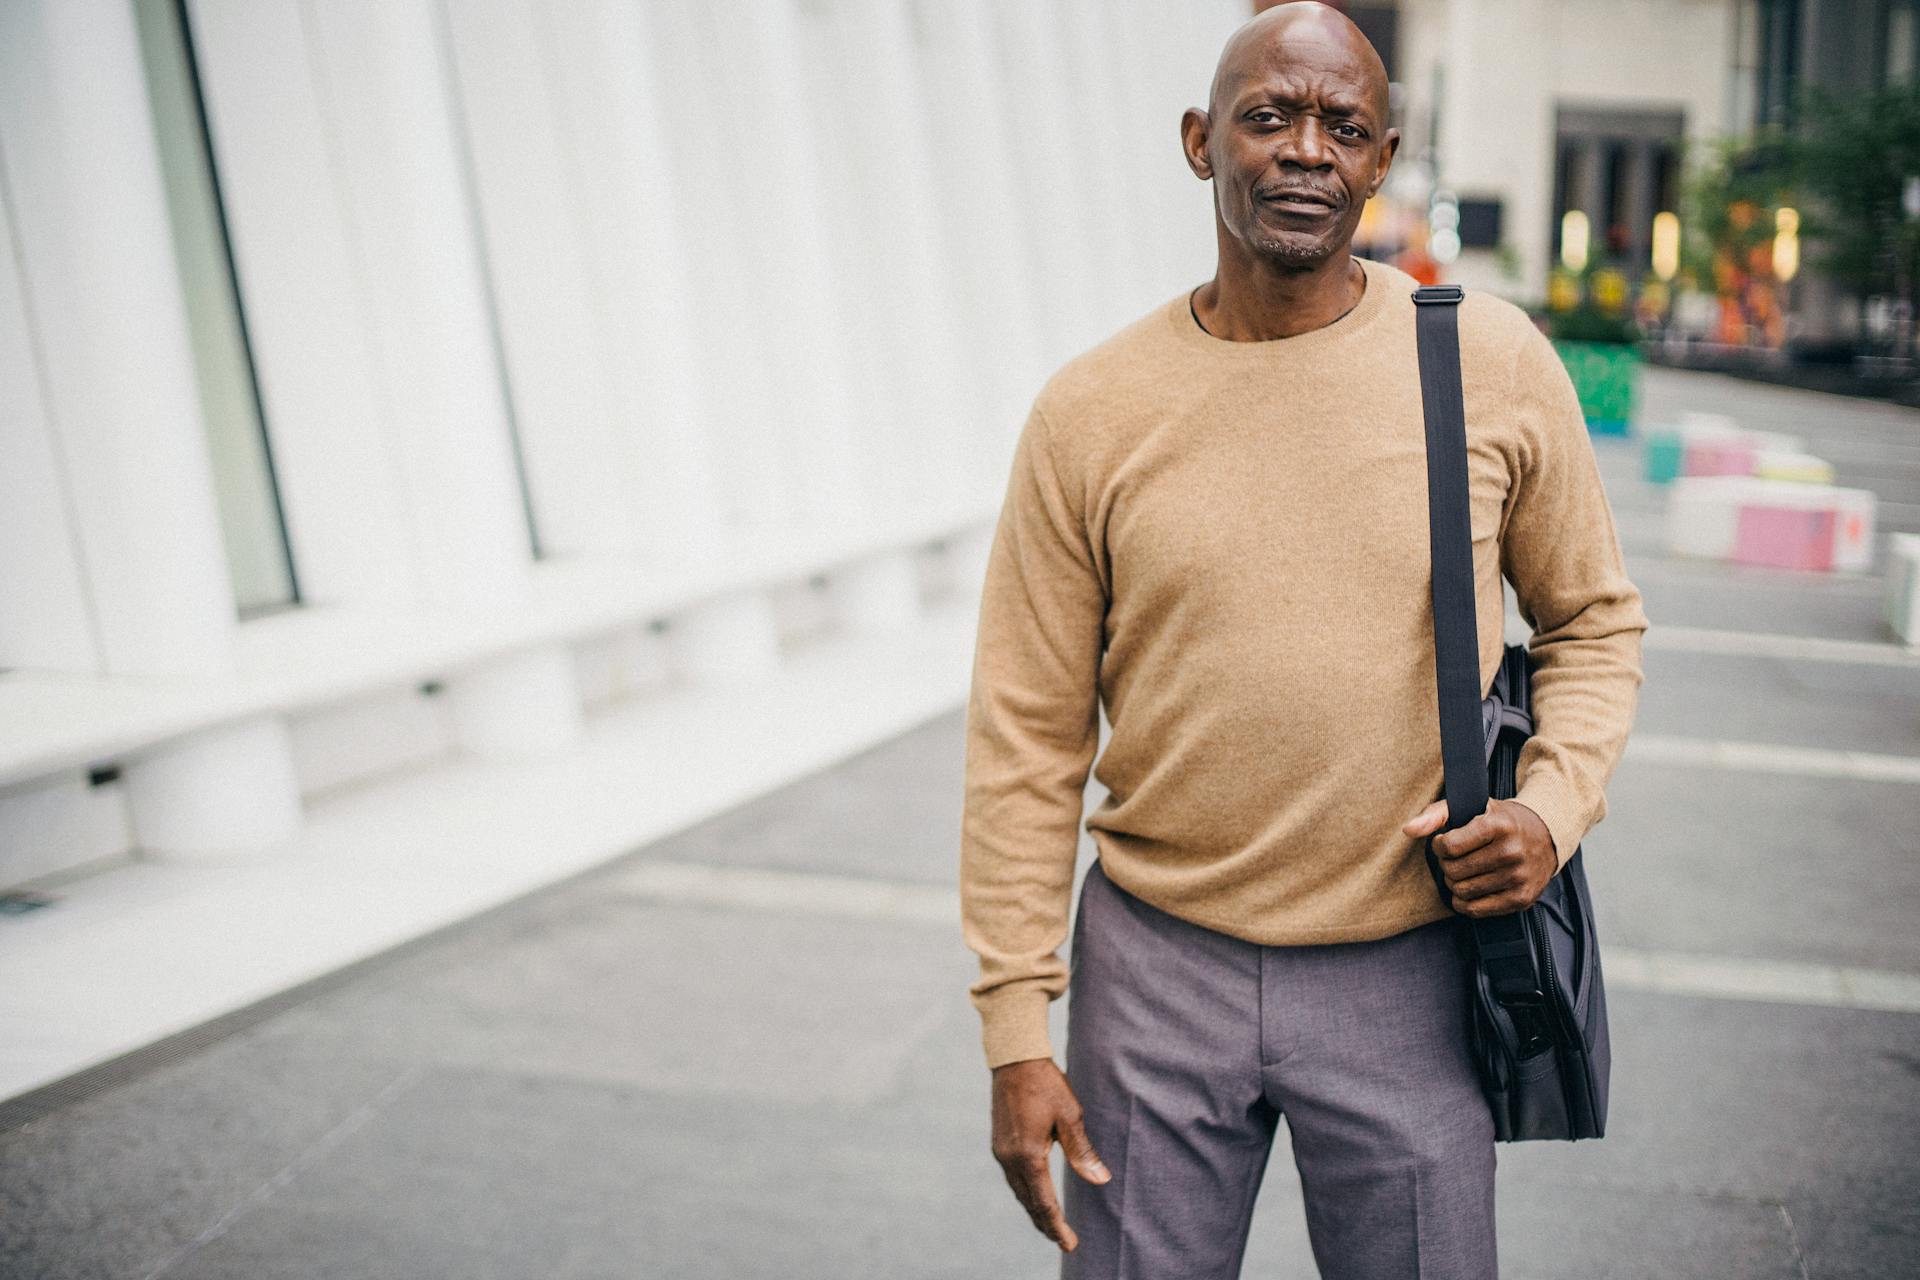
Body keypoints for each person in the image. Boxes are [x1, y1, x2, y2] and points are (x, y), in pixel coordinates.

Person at [957, 3, 1649, 1277]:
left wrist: (1550, 810)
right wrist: (1015, 1021)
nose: (1304, 151)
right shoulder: (1091, 411)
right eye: (1267, 116)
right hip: (1153, 972)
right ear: (1199, 142)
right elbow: (1028, 730)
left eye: (1341, 125)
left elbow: (1595, 624)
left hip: (1410, 970)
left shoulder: (1485, 364)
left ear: (1382, 156)